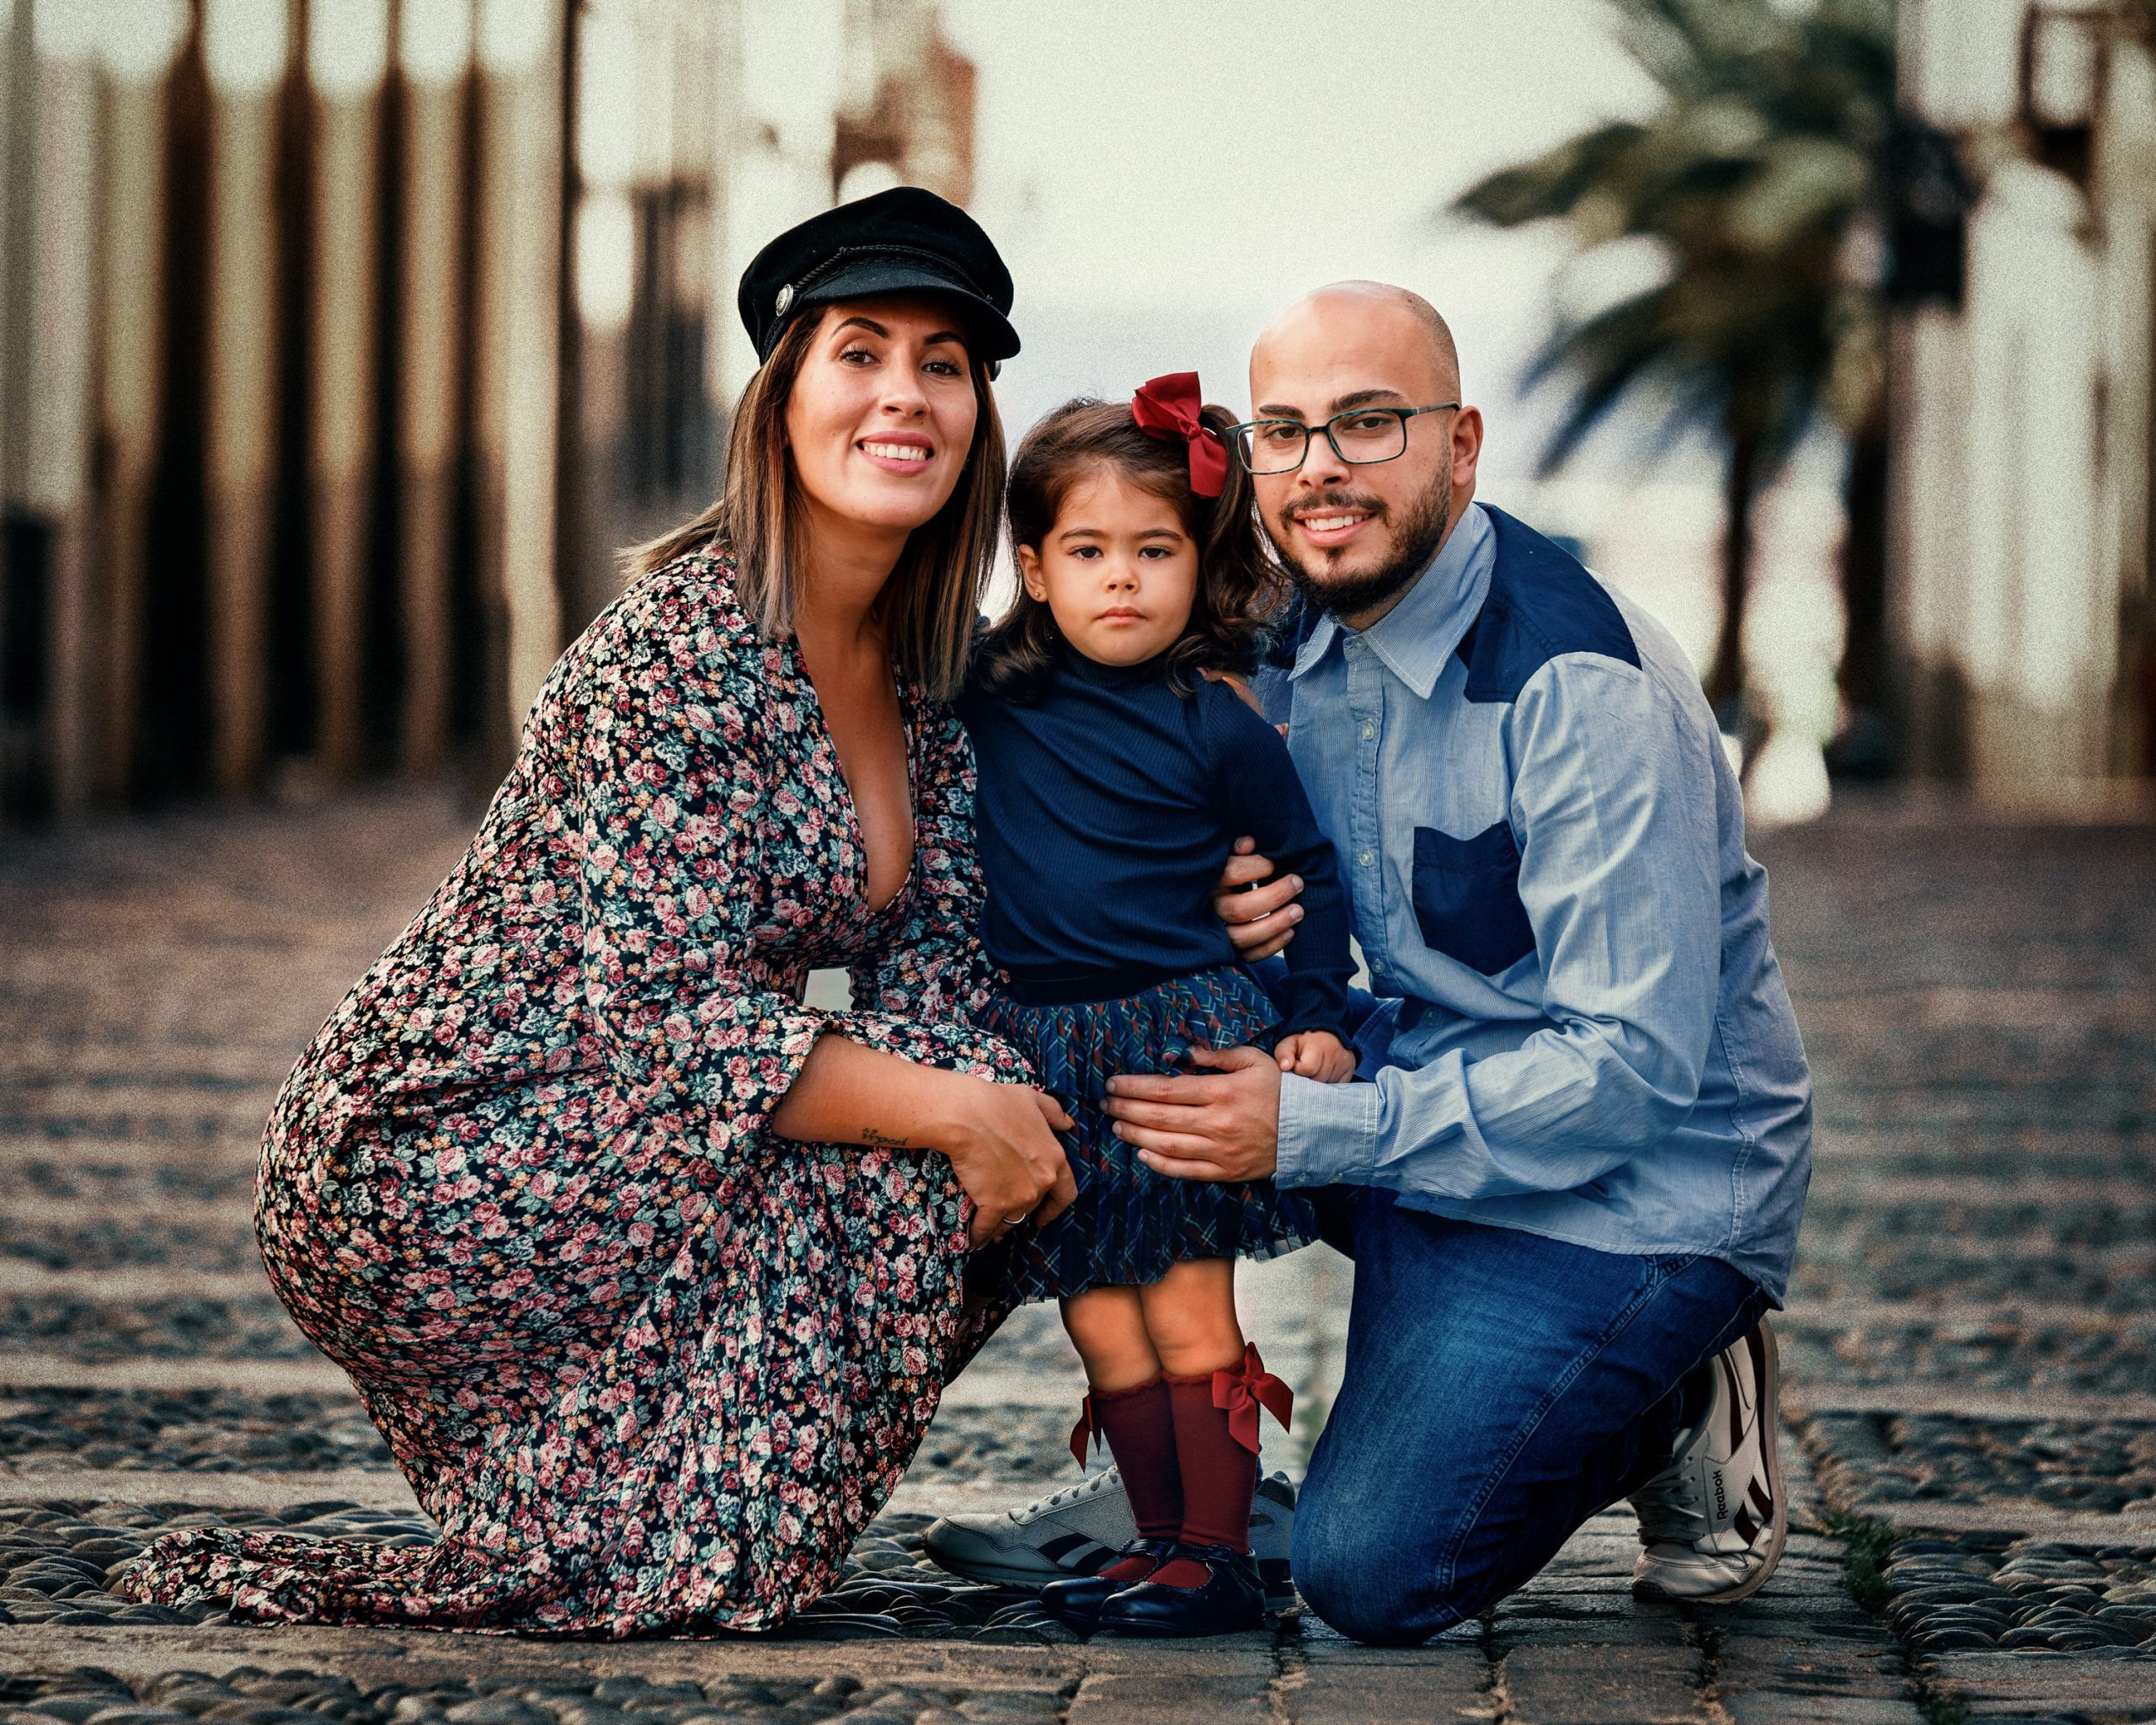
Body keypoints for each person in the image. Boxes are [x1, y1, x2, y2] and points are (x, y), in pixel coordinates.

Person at [115, 187, 1079, 1636]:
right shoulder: (674, 649)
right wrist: (956, 1110)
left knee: (1031, 1090)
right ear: (780, 399)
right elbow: (664, 1019)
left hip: (627, 1118)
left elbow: (952, 976)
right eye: (860, 352)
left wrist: (1206, 912)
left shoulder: (924, 690)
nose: (905, 395)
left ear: (980, 415)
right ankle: (673, 1532)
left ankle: (666, 1513)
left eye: (945, 363)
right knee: (955, 1119)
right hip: (445, 1139)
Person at [927, 283, 1813, 1646]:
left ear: (1461, 447)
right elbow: (1138, 763)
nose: (1321, 466)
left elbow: (1633, 1075)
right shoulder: (1267, 644)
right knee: (1132, 1130)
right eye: (1284, 431)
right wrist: (1193, 893)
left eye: (1369, 424)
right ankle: (1182, 1507)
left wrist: (1313, 1129)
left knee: (1374, 1571)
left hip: (1631, 1189)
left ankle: (1672, 1390)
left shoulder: (1578, 686)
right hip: (1422, 1111)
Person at [954, 377, 1358, 1636]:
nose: (1120, 580)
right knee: (1099, 1317)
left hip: (1179, 1043)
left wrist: (1318, 1013)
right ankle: (1157, 1538)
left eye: (1154, 551)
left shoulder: (1216, 720)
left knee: (1187, 1302)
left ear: (1199, 563)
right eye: (1087, 552)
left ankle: (1216, 1554)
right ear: (1033, 564)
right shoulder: (987, 694)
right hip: (1048, 1054)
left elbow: (1311, 870)